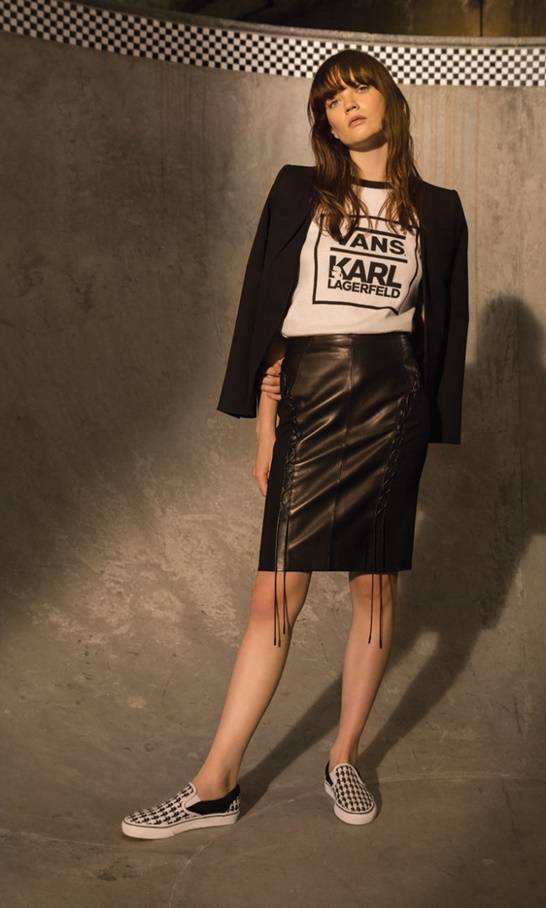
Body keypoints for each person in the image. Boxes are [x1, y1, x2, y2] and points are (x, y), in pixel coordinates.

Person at [121, 48, 468, 838]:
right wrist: (267, 428)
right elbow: (268, 317)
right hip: (311, 391)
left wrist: (428, 428)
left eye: (358, 89)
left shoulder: (440, 210)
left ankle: (344, 757)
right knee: (275, 594)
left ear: (388, 98)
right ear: (325, 124)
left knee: (373, 590)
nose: (346, 106)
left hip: (392, 400)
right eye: (330, 101)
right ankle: (215, 783)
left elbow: (444, 325)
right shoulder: (296, 190)